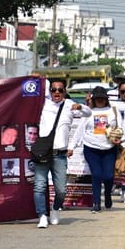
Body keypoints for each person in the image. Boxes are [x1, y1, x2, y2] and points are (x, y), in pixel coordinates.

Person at [33, 79, 91, 228]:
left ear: (65, 91)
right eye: (54, 90)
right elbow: (39, 86)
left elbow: (88, 113)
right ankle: (42, 216)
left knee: (61, 190)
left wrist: (81, 106)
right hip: (43, 153)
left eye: (60, 90)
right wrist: (38, 78)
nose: (56, 92)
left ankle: (56, 208)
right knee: (39, 186)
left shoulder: (69, 105)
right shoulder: (43, 104)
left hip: (60, 154)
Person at [72, 86, 122, 213]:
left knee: (109, 176)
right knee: (97, 174)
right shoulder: (88, 112)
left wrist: (120, 139)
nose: (100, 100)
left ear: (106, 99)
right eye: (97, 98)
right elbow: (79, 130)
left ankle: (108, 195)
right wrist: (72, 146)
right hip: (91, 148)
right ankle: (96, 203)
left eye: (102, 98)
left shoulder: (113, 111)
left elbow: (121, 129)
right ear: (93, 99)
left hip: (109, 148)